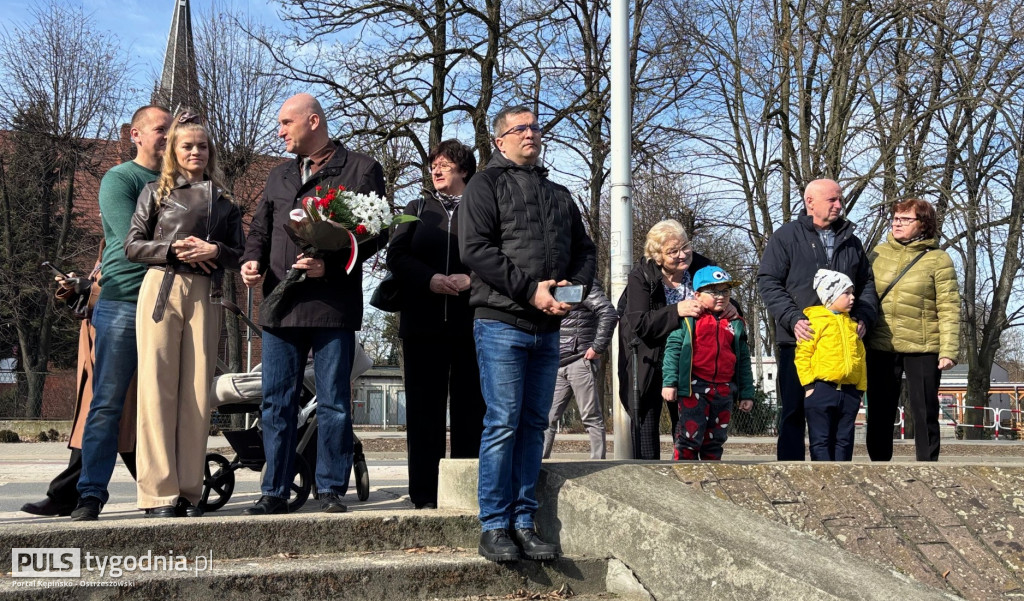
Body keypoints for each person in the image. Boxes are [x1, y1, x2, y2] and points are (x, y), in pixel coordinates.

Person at [459, 105, 596, 562]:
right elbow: (474, 249)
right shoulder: (485, 185)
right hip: (500, 322)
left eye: (536, 126)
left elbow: (584, 250)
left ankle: (524, 520)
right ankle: (494, 526)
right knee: (503, 423)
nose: (532, 134)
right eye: (521, 128)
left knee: (536, 424)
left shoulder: (559, 193)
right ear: (500, 141)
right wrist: (529, 291)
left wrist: (573, 293)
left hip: (548, 326)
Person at [241, 93, 387, 515]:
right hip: (281, 303)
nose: (280, 131)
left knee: (334, 401)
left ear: (313, 121)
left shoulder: (361, 168)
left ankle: (330, 490)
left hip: (331, 304)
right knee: (276, 399)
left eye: (286, 123)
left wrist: (335, 262)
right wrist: (251, 261)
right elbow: (260, 229)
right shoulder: (278, 176)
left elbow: (376, 233)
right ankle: (275, 490)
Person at [125, 109, 244, 517]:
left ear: (211, 152)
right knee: (157, 390)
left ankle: (191, 490)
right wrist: (171, 249)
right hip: (161, 287)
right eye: (187, 145)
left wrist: (216, 251)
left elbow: (241, 253)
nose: (196, 151)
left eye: (203, 146)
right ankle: (159, 493)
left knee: (197, 392)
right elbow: (132, 246)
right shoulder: (156, 193)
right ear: (174, 151)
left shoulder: (225, 201)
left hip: (203, 293)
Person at [72, 105, 172, 521]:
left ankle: (161, 493)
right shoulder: (121, 179)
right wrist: (182, 247)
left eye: (173, 130)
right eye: (160, 129)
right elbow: (133, 237)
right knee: (108, 402)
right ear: (136, 134)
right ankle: (90, 494)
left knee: (164, 402)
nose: (168, 136)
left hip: (170, 303)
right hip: (123, 300)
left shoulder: (184, 181)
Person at [386, 139, 485, 509]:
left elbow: (497, 257)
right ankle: (424, 495)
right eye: (433, 164)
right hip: (422, 326)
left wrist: (470, 279)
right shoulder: (417, 208)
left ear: (463, 169)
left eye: (444, 164)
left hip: (469, 326)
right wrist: (428, 279)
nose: (436, 169)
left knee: (469, 413)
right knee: (423, 414)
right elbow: (396, 255)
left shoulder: (480, 209)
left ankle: (464, 492)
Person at [756, 178, 877, 461]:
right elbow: (769, 281)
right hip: (800, 340)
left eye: (840, 199)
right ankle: (792, 471)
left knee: (839, 416)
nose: (839, 205)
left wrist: (864, 316)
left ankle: (835, 475)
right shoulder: (786, 237)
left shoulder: (852, 242)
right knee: (794, 412)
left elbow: (867, 284)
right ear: (810, 202)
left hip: (840, 345)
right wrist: (792, 318)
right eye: (832, 200)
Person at [21, 244, 138, 517]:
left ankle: (66, 494)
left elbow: (121, 293)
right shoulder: (105, 249)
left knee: (107, 424)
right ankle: (67, 494)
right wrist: (78, 286)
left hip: (113, 347)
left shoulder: (126, 242)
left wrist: (89, 288)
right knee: (99, 424)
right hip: (96, 346)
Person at [617, 219, 734, 460]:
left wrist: (732, 306)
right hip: (650, 359)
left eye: (685, 247)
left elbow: (722, 295)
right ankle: (649, 481)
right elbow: (639, 323)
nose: (682, 255)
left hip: (693, 361)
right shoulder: (642, 276)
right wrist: (676, 310)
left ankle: (688, 478)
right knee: (646, 427)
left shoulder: (703, 266)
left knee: (689, 430)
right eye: (673, 251)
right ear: (657, 256)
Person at [866, 199, 960, 462]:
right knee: (880, 410)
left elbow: (949, 306)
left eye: (905, 219)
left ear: (923, 225)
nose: (897, 223)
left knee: (925, 410)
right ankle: (879, 466)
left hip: (923, 346)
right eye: (895, 218)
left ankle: (928, 466)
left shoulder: (938, 259)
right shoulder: (877, 253)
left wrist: (948, 350)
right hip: (880, 344)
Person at [661, 266, 754, 461]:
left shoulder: (735, 323)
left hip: (724, 389)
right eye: (713, 291)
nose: (721, 296)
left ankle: (712, 476)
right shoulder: (689, 319)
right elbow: (673, 349)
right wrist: (669, 382)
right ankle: (684, 476)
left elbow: (743, 359)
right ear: (697, 295)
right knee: (690, 436)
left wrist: (746, 393)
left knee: (716, 438)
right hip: (694, 387)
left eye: (725, 291)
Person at [795, 270, 867, 461]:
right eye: (846, 293)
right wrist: (810, 386)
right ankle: (822, 479)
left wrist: (860, 389)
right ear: (830, 295)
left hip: (849, 393)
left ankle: (843, 481)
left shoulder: (852, 325)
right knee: (820, 440)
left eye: (853, 293)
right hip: (821, 390)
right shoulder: (814, 322)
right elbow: (803, 355)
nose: (852, 298)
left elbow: (860, 357)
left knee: (844, 440)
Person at [542, 279, 616, 460]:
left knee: (591, 417)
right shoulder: (548, 285)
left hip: (579, 360)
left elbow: (608, 313)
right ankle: (539, 463)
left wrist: (598, 347)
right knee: (546, 418)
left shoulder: (584, 284)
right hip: (557, 361)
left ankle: (597, 464)